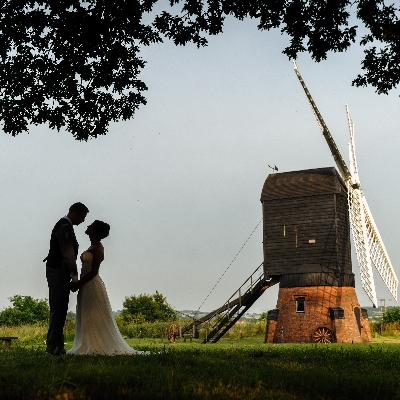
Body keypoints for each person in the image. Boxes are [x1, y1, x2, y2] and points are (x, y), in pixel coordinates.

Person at [68, 220, 148, 355]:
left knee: (94, 314)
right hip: (85, 284)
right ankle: (87, 342)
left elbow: (94, 272)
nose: (88, 226)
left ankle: (96, 344)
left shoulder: (98, 247)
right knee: (86, 313)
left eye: (91, 226)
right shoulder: (92, 246)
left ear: (94, 231)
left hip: (92, 284)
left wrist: (78, 283)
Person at [45, 202, 89, 356]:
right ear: (75, 213)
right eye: (83, 216)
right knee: (59, 307)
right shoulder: (65, 226)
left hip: (56, 271)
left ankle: (56, 344)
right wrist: (74, 276)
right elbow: (68, 254)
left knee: (59, 308)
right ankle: (53, 347)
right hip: (58, 271)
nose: (83, 221)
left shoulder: (63, 225)